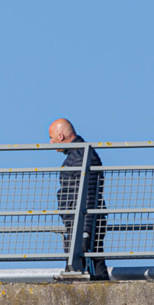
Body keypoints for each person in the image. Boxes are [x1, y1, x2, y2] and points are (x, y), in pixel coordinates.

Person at [49, 118, 108, 280]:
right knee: (90, 263)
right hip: (79, 223)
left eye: (51, 138)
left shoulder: (82, 156)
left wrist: (85, 232)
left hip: (83, 224)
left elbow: (90, 196)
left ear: (61, 137)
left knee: (88, 264)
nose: (51, 143)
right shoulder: (79, 155)